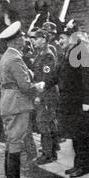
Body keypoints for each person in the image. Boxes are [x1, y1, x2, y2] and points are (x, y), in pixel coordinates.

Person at [0, 21, 45, 178]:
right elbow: (25, 86)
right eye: (23, 37)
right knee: (16, 142)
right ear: (16, 40)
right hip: (17, 103)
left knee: (12, 141)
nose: (25, 39)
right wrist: (38, 87)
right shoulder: (15, 58)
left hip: (10, 102)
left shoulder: (7, 56)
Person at [57, 20, 89, 178]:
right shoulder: (70, 51)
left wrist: (87, 101)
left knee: (82, 136)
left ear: (72, 37)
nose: (59, 41)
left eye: (62, 38)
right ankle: (78, 164)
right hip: (72, 102)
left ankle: (85, 166)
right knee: (76, 135)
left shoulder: (81, 51)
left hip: (81, 102)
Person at [30, 29, 59, 165]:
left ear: (43, 39)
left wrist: (39, 96)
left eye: (36, 38)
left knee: (44, 123)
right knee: (49, 122)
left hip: (47, 94)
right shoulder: (41, 53)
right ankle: (51, 151)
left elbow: (47, 79)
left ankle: (48, 154)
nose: (33, 41)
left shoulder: (47, 55)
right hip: (46, 93)